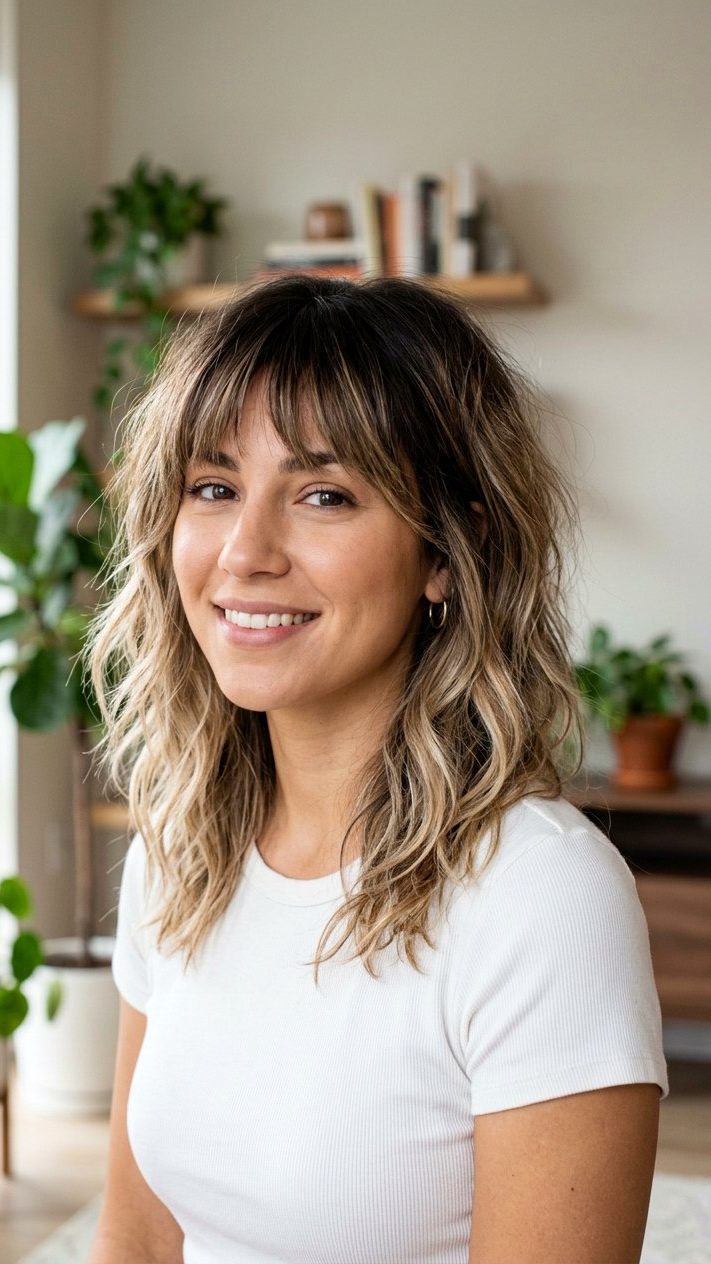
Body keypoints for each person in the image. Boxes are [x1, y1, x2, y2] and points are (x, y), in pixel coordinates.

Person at [87, 275, 667, 1264]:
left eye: (323, 494)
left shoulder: (537, 897)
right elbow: (138, 1237)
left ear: (446, 548)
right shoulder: (179, 856)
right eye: (213, 486)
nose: (243, 551)